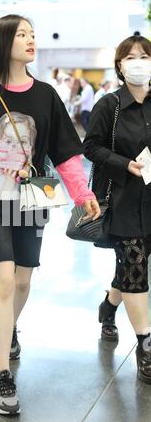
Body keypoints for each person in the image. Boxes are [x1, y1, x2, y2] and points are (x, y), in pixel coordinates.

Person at [0, 14, 100, 415]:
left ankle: (7, 328)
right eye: (21, 34)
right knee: (5, 281)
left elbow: (65, 153)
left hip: (32, 197)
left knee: (24, 281)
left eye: (33, 34)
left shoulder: (47, 94)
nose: (31, 40)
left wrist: (83, 194)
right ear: (3, 43)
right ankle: (1, 375)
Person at [84, 35, 151, 384]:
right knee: (136, 267)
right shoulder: (108, 105)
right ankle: (145, 345)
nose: (138, 62)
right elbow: (90, 147)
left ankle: (109, 306)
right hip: (123, 202)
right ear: (120, 65)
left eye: (144, 56)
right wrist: (125, 164)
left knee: (132, 266)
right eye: (131, 57)